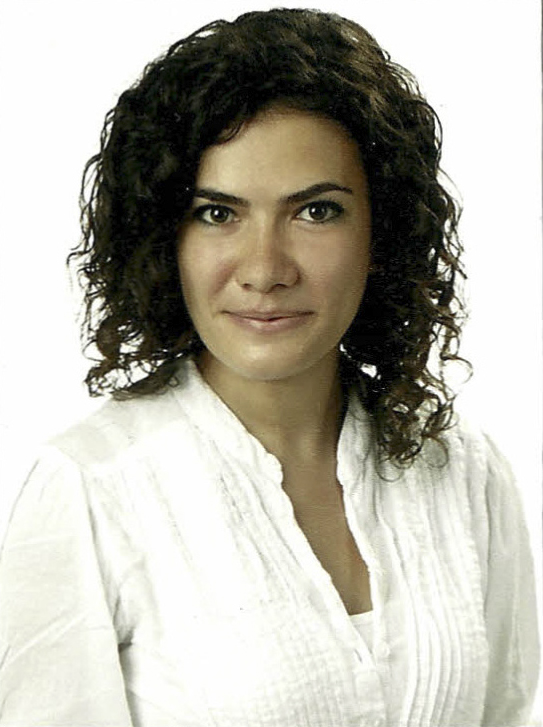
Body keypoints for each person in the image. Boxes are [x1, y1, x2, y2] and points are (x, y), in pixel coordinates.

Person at [0, 8, 539, 727]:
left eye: (315, 212)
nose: (264, 269)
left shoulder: (461, 469)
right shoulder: (91, 490)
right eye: (217, 214)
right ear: (163, 236)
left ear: (382, 231)